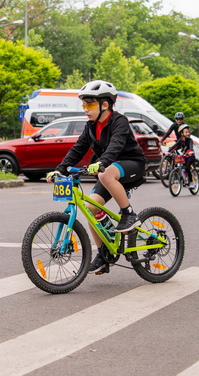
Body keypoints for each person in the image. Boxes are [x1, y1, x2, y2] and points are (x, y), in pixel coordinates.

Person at [46, 80, 146, 274]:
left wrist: (102, 162)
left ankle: (129, 214)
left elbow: (116, 144)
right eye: (84, 105)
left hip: (132, 164)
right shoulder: (90, 126)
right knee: (90, 207)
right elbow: (78, 149)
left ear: (105, 104)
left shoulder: (119, 121)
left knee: (105, 173)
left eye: (90, 104)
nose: (86, 109)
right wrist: (60, 170)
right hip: (109, 169)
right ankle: (104, 254)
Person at [168, 124, 196, 188]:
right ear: (182, 133)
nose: (188, 133)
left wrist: (190, 151)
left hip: (190, 156)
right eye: (186, 132)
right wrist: (168, 152)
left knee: (187, 168)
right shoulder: (180, 140)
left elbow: (191, 146)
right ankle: (183, 178)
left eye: (188, 132)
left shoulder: (190, 140)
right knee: (181, 167)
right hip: (184, 156)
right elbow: (175, 146)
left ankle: (191, 182)